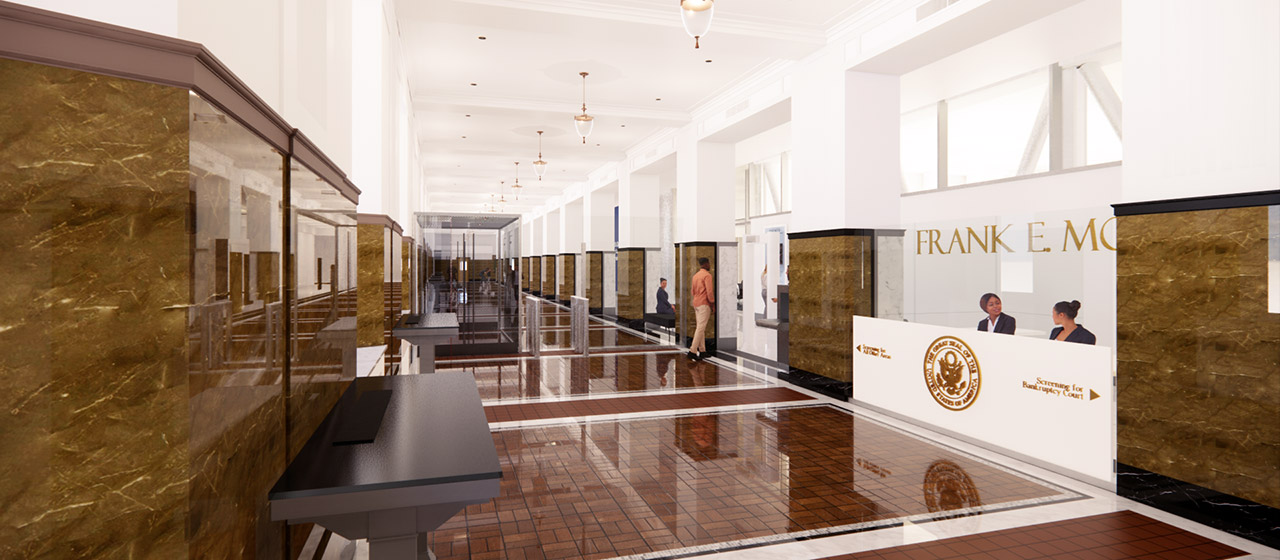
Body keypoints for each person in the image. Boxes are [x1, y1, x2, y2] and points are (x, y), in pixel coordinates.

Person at [689, 257, 715, 361]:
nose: (709, 265)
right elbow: (709, 292)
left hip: (696, 303)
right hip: (704, 303)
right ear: (706, 264)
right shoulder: (707, 276)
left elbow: (692, 291)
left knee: (700, 327)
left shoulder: (695, 276)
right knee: (700, 328)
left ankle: (702, 350)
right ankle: (693, 350)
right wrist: (712, 303)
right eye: (708, 263)